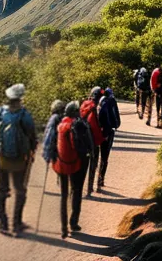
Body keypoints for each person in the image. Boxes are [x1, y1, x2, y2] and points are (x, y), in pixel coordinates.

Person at [0, 83, 37, 236]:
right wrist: (32, 150)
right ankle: (16, 224)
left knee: (2, 190)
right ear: (20, 98)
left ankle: (2, 223)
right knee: (20, 190)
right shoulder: (24, 114)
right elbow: (31, 134)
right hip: (19, 158)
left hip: (0, 157)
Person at [53, 101, 92, 238]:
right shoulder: (76, 124)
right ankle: (73, 222)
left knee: (66, 193)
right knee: (77, 190)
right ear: (75, 112)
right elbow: (78, 146)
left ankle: (65, 225)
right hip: (76, 163)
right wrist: (87, 154)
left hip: (63, 163)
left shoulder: (61, 125)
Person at [79, 87, 105, 196]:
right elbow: (99, 125)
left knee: (82, 167)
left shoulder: (84, 105)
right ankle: (89, 188)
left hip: (82, 141)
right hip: (93, 141)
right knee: (93, 165)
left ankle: (78, 189)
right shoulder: (96, 108)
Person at [96, 87, 121, 189]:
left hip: (97, 132)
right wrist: (115, 126)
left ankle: (93, 179)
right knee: (104, 157)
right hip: (108, 132)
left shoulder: (100, 101)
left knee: (96, 156)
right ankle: (101, 179)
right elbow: (116, 118)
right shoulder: (111, 101)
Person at [41, 99, 66, 166]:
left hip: (55, 149)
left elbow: (48, 136)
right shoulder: (58, 118)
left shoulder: (53, 118)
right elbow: (50, 135)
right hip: (58, 150)